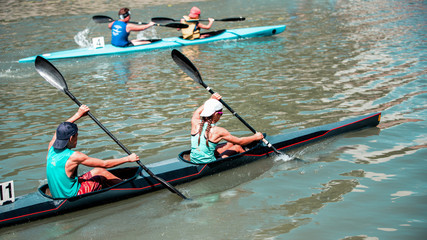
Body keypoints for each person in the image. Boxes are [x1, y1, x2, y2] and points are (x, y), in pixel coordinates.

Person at [46, 105, 140, 198]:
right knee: (102, 173)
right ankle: (131, 188)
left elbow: (59, 129)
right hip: (71, 195)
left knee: (97, 171)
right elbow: (105, 164)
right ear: (71, 138)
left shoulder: (51, 149)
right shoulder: (74, 156)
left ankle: (120, 185)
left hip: (58, 193)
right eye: (77, 136)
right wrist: (128, 158)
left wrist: (78, 114)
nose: (77, 139)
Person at [190, 93, 264, 163]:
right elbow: (240, 141)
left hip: (194, 160)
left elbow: (197, 112)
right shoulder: (219, 131)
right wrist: (255, 137)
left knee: (230, 144)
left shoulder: (195, 123)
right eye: (221, 113)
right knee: (237, 147)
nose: (221, 115)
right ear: (216, 114)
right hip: (209, 163)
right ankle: (252, 159)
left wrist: (211, 100)